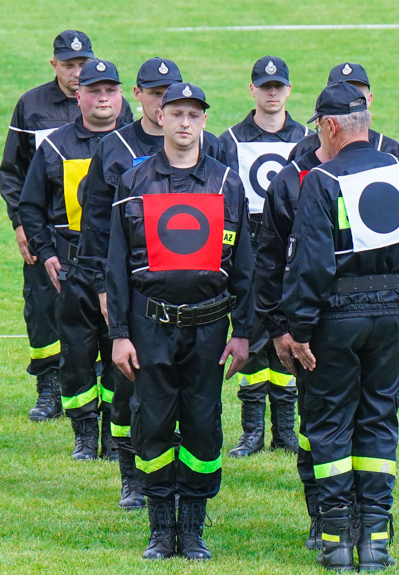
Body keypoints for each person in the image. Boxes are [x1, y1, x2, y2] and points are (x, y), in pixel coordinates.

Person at [281, 82, 399, 571]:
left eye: (319, 131)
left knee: (329, 425)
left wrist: (301, 329)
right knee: (378, 422)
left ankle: (335, 541)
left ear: (330, 127)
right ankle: (375, 540)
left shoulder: (322, 180)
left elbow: (309, 264)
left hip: (335, 318)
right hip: (389, 318)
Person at [107, 82, 254, 560]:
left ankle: (191, 526)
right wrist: (119, 336)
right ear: (161, 118)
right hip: (150, 326)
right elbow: (116, 264)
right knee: (151, 422)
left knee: (202, 425)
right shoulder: (134, 181)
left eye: (194, 114)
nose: (185, 123)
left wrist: (244, 332)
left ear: (204, 121)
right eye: (177, 114)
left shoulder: (227, 181)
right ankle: (158, 527)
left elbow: (246, 266)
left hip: (209, 328)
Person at [0, 31, 133, 422]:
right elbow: (16, 173)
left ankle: (102, 393)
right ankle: (48, 387)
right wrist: (21, 226)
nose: (77, 72)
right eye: (70, 65)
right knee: (43, 310)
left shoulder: (111, 108)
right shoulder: (32, 105)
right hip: (51, 234)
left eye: (82, 65)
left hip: (104, 241)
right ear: (54, 64)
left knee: (98, 322)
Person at [218, 55, 310, 458]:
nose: (272, 93)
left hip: (294, 244)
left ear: (288, 90)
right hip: (250, 245)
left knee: (288, 333)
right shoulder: (230, 140)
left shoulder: (308, 138)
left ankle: (286, 431)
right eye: (265, 86)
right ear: (252, 90)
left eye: (279, 87)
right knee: (252, 335)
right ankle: (252, 431)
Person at [256, 135, 332, 548]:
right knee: (316, 425)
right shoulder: (294, 177)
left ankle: (366, 519)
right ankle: (323, 516)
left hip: (365, 321)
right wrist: (279, 326)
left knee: (369, 425)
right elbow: (271, 256)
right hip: (313, 325)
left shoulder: (387, 159)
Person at [288, 62, 399, 162]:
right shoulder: (305, 148)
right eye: (341, 91)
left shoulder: (388, 148)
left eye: (356, 92)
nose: (349, 96)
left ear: (369, 99)